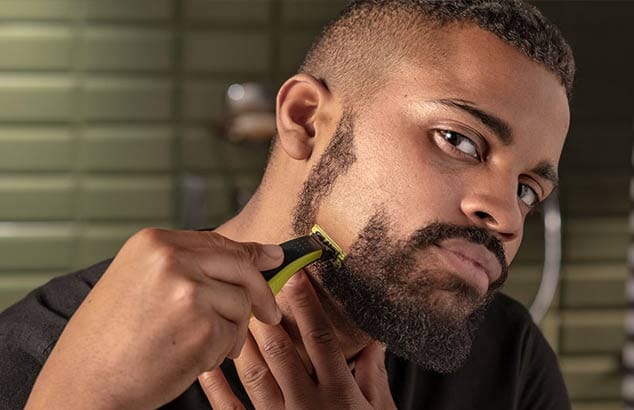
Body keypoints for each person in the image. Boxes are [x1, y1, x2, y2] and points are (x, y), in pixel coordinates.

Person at [0, 0, 575, 408]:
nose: (504, 216)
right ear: (306, 120)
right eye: (459, 140)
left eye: (528, 189)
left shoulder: (510, 358)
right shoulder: (40, 352)